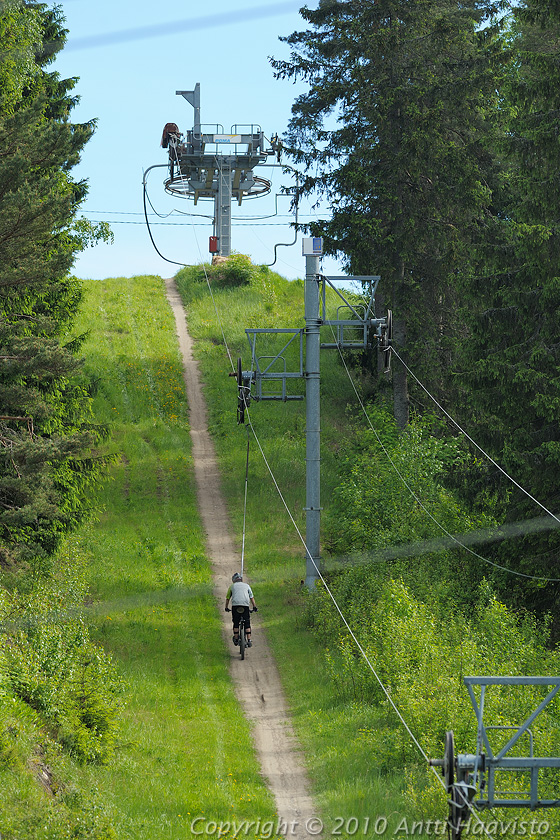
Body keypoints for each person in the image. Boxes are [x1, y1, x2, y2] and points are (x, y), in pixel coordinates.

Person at [225, 572, 257, 647]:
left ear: (234, 580)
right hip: (245, 606)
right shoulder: (247, 586)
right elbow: (251, 597)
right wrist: (254, 606)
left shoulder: (232, 586)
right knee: (247, 622)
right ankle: (249, 640)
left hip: (235, 606)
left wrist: (226, 607)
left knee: (236, 622)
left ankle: (236, 638)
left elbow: (228, 598)